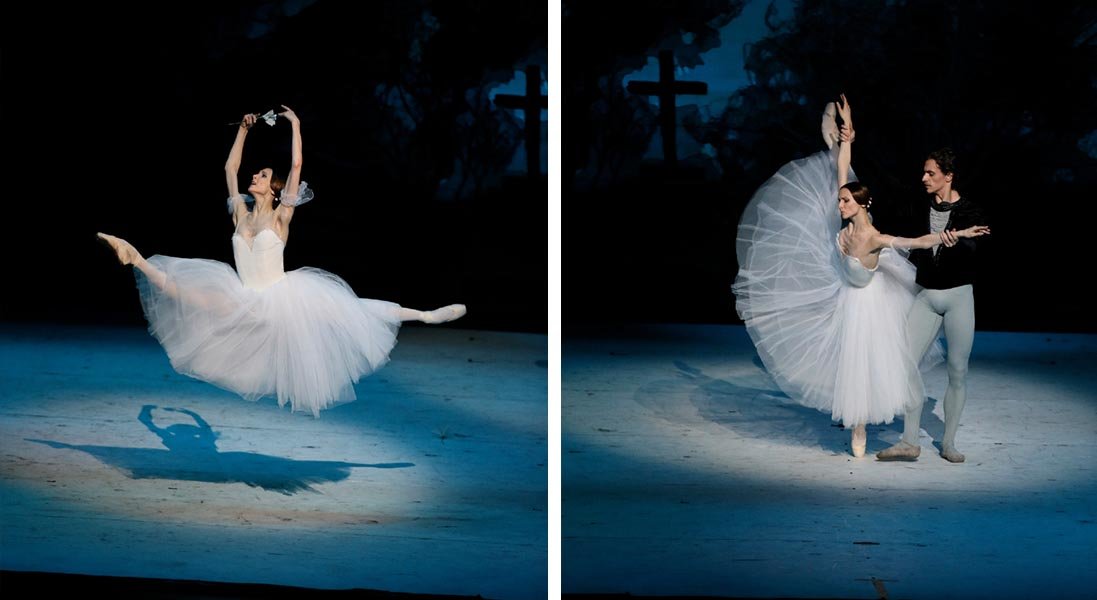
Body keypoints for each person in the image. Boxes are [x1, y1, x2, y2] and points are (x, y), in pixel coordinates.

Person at [98, 106, 466, 418]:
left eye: (261, 175)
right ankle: (136, 259)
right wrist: (243, 131)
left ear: (273, 188)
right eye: (255, 174)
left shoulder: (281, 217)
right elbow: (229, 169)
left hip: (283, 298)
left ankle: (424, 315)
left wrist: (296, 125)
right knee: (187, 293)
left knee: (354, 312)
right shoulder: (239, 215)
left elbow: (297, 163)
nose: (253, 176)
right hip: (244, 295)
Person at [732, 95, 988, 457]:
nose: (840, 204)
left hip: (907, 297)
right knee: (875, 362)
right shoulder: (858, 218)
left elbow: (912, 240)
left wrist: (959, 236)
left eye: (846, 202)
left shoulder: (883, 233)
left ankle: (933, 440)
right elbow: (843, 173)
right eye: (840, 201)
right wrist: (847, 139)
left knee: (925, 365)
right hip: (875, 294)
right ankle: (879, 430)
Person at [876, 148, 987, 463]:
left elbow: (976, 246)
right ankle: (910, 441)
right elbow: (901, 238)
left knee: (958, 370)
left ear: (948, 176)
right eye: (923, 172)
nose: (923, 178)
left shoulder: (970, 210)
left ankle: (948, 443)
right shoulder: (916, 206)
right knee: (903, 362)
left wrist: (961, 241)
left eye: (931, 173)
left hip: (958, 297)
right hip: (926, 296)